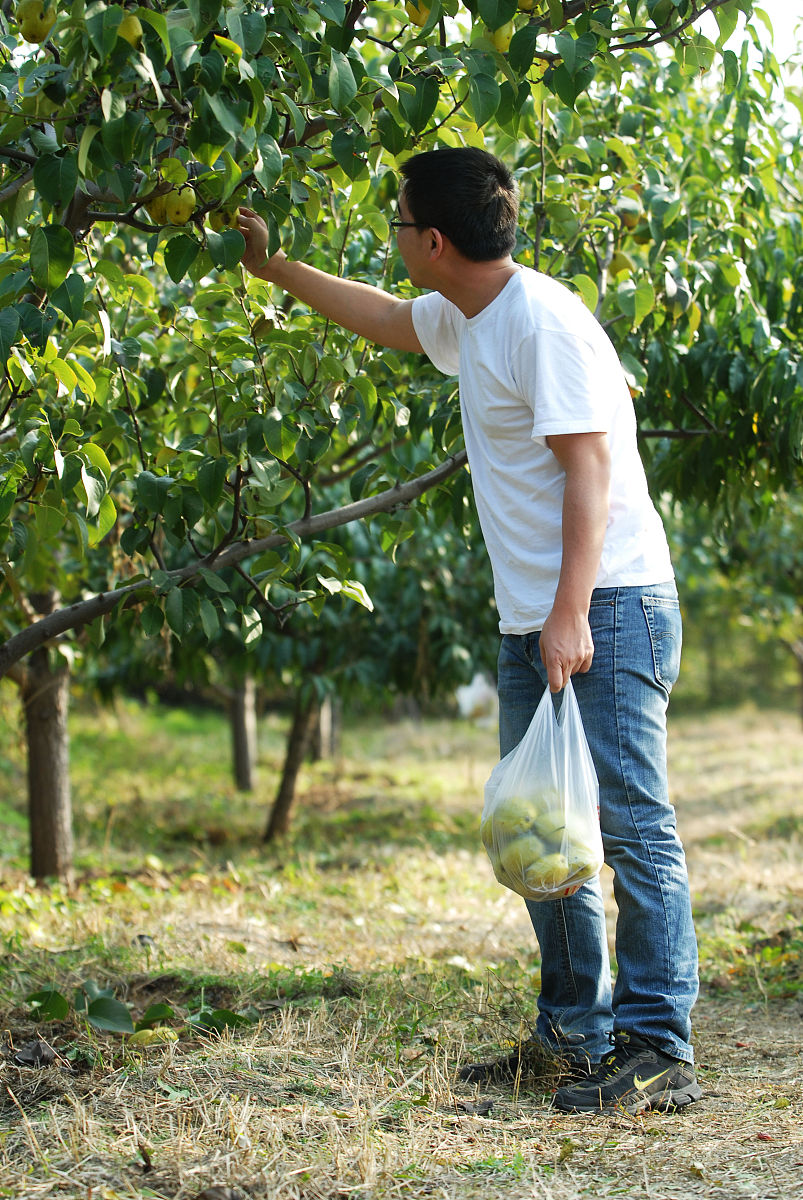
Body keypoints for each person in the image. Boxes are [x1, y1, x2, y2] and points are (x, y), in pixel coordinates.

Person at [237, 147, 701, 1114]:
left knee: (629, 828)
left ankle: (658, 1045)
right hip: (540, 615)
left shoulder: (539, 323)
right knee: (543, 826)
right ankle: (572, 1035)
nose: (394, 238)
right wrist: (273, 266)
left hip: (606, 605)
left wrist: (567, 613)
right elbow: (387, 318)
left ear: (435, 241)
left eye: (398, 223)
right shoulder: (469, 312)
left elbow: (590, 469)